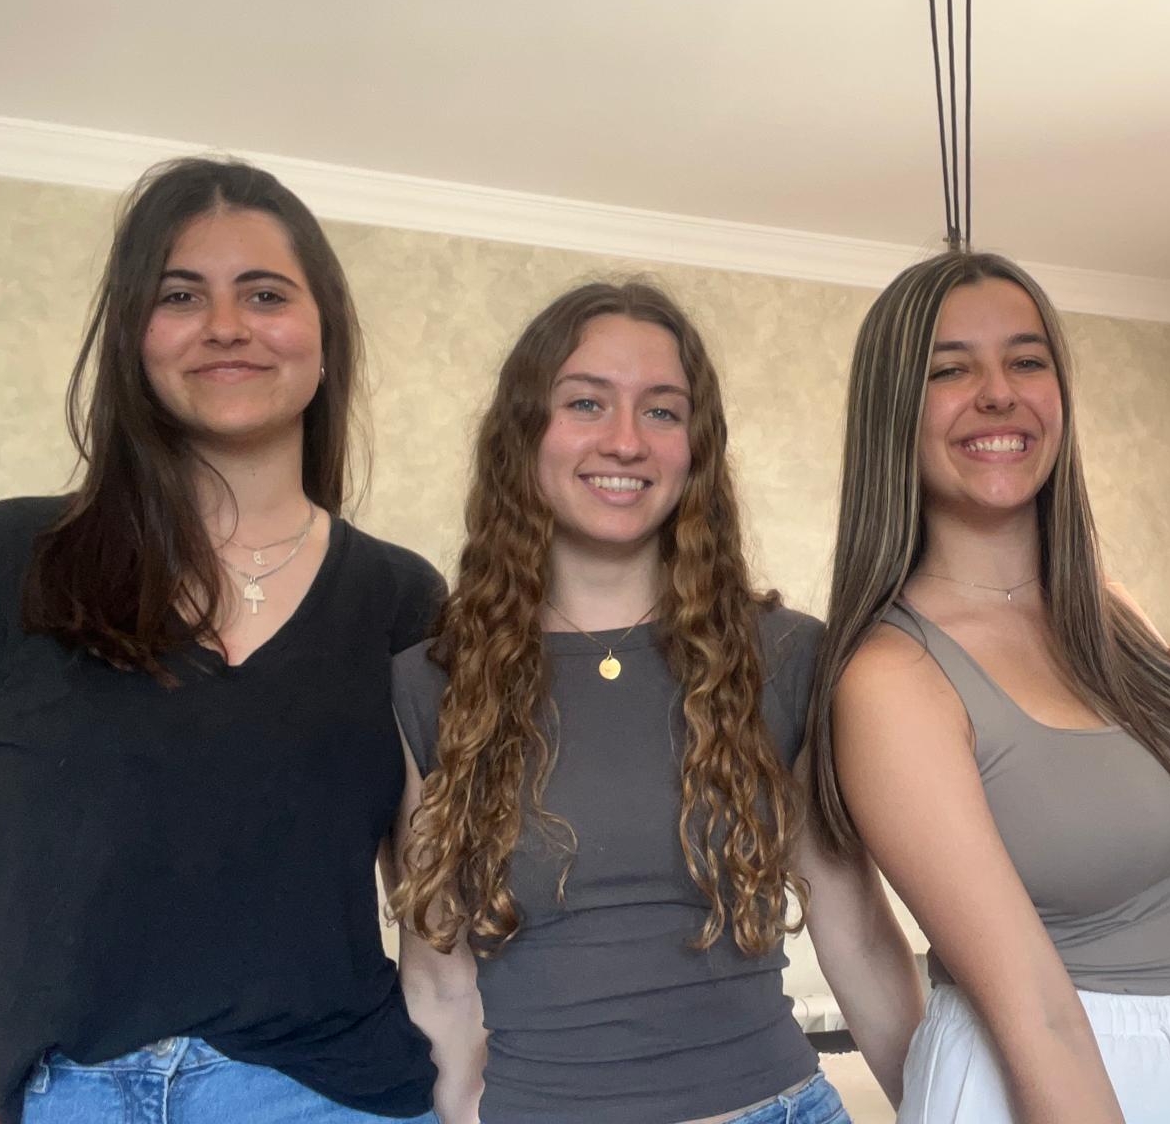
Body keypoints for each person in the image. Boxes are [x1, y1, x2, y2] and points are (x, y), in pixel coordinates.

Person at [0, 157, 443, 1124]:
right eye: (180, 295)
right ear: (133, 336)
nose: (226, 324)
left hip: (333, 1097)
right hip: (62, 1096)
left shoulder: (402, 597)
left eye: (265, 294)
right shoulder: (7, 558)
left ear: (324, 334)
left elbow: (441, 917)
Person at [389, 281, 923, 1124]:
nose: (626, 440)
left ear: (696, 448)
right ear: (523, 430)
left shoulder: (785, 656)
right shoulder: (430, 685)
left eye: (662, 411)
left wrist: (930, 1108)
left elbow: (855, 936)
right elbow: (439, 983)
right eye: (586, 403)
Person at [810, 250, 1170, 1123]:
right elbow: (1034, 1013)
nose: (997, 393)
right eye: (950, 370)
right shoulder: (890, 677)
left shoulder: (1111, 616)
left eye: (1026, 361)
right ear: (893, 411)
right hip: (1047, 1084)